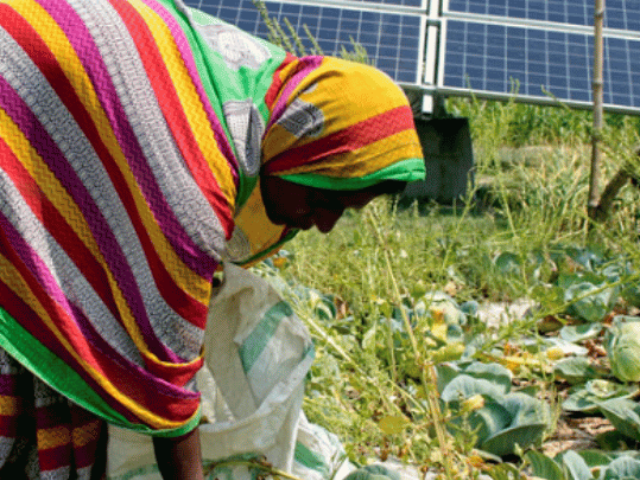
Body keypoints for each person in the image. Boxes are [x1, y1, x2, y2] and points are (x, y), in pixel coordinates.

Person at [0, 0, 426, 478]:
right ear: (298, 148)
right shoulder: (195, 187)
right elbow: (166, 381)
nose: (324, 224)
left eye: (344, 213)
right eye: (323, 199)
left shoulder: (259, 90)